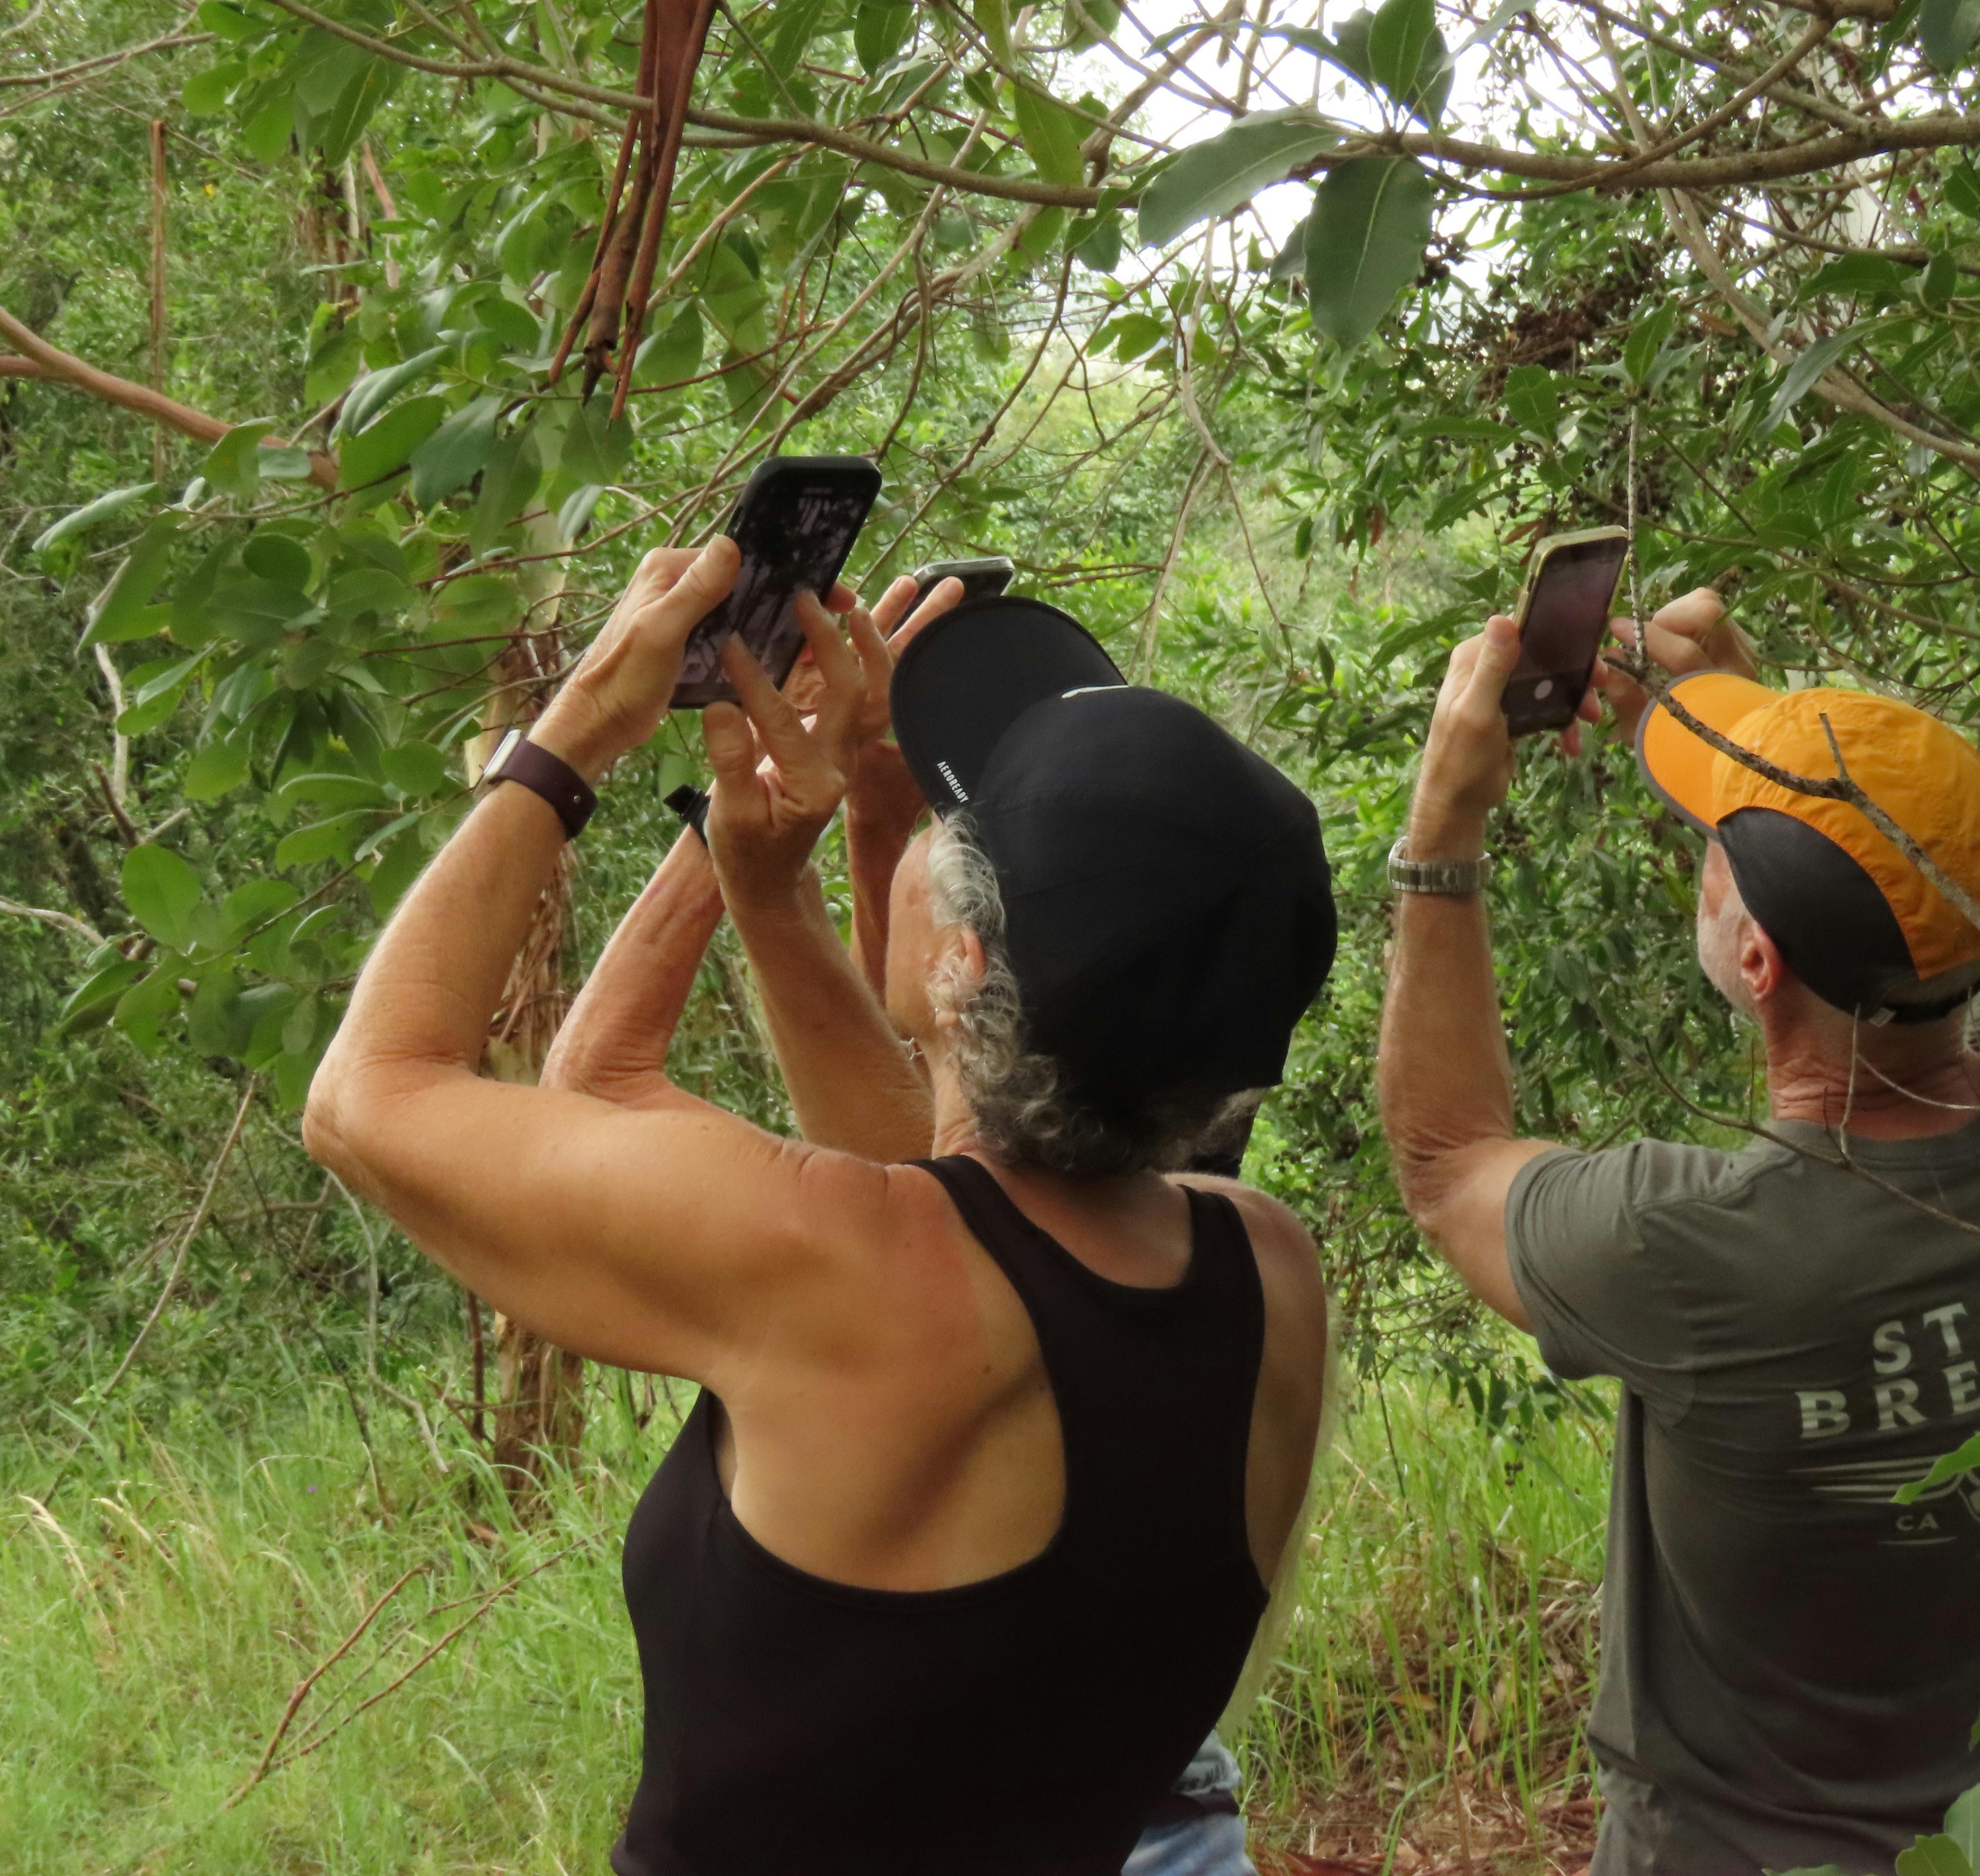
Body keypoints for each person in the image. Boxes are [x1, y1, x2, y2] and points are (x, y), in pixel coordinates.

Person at [304, 538, 1337, 1876]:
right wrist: (763, 855)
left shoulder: (846, 1272)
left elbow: (369, 1093)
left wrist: (584, 728)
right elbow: (949, 1184)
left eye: (952, 830)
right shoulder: (1265, 1276)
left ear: (962, 967)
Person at [1377, 594, 1980, 1875]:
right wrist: (1762, 742)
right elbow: (1908, 917)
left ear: (1757, 964)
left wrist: (1441, 831)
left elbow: (1446, 1159)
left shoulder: (1697, 1258)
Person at [542, 575, 1285, 1875]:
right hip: (1140, 1804)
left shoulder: (882, 1270)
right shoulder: (1251, 1233)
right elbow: (939, 1143)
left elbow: (562, 1095)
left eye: (968, 826)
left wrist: (593, 764)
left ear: (979, 957)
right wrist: (848, 811)